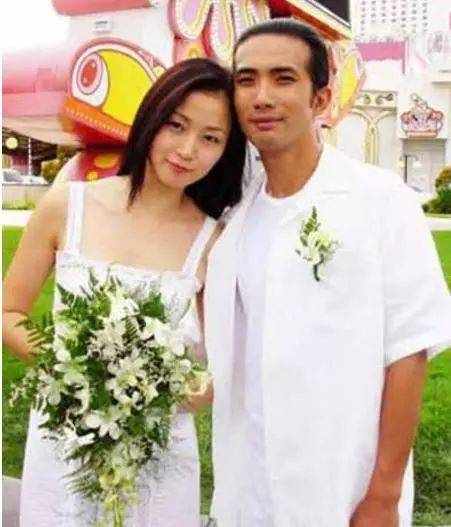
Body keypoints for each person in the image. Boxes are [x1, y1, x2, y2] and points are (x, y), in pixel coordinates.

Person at [204, 19, 451, 527]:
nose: (262, 97)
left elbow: (409, 352)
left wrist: (383, 494)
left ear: (320, 98)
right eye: (246, 80)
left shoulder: (380, 200)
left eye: (283, 78)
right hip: (249, 480)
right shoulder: (233, 216)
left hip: (341, 480)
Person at [2, 58, 246, 527]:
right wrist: (77, 373)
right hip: (64, 436)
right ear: (152, 117)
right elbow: (9, 311)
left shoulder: (214, 241)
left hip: (158, 449)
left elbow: (222, 365)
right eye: (176, 126)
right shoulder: (66, 206)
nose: (188, 150)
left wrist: (156, 395)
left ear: (226, 151)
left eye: (211, 138)